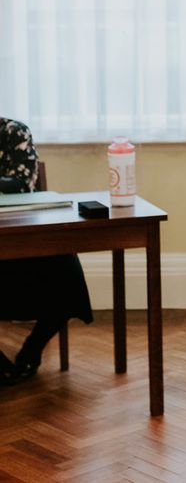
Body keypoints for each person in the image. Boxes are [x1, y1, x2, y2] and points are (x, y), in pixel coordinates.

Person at [0, 117, 93, 386]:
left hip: (19, 237)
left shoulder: (12, 131)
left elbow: (21, 183)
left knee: (65, 262)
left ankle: (33, 347)